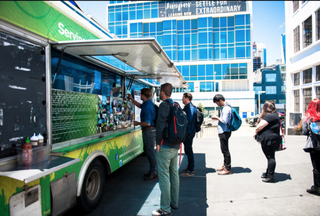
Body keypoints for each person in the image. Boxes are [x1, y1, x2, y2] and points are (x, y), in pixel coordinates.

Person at [152, 83, 179, 216]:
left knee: (164, 177)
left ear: (162, 91)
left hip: (165, 146)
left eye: (160, 91)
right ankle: (174, 203)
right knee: (174, 174)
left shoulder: (164, 105)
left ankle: (165, 209)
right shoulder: (175, 105)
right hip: (175, 145)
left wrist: (157, 142)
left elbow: (160, 125)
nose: (159, 93)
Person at [127, 88, 157, 181]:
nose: (140, 96)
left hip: (149, 131)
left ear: (144, 95)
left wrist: (137, 123)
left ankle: (153, 172)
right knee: (148, 151)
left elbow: (147, 123)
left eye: (141, 94)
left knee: (150, 152)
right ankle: (152, 170)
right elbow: (140, 105)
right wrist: (132, 99)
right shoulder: (148, 103)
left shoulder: (147, 106)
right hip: (150, 131)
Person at [254, 101, 281, 183]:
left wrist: (255, 131)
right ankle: (268, 173)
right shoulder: (275, 115)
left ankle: (270, 176)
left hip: (269, 139)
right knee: (270, 157)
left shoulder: (269, 116)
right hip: (272, 138)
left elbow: (259, 127)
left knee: (270, 157)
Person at [302, 98, 320, 196]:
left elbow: (305, 132)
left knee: (316, 166)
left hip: (315, 145)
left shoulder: (308, 118)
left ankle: (317, 187)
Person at [211, 94, 232, 175]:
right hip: (225, 131)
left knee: (225, 150)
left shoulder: (226, 108)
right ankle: (225, 165)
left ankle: (227, 168)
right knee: (224, 149)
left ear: (220, 100)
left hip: (224, 131)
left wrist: (216, 117)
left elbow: (224, 121)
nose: (217, 105)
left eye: (217, 103)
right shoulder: (226, 107)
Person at [180, 92, 197, 177]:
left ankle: (191, 170)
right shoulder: (188, 107)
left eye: (183, 98)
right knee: (187, 150)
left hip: (189, 132)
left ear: (187, 98)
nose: (182, 99)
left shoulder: (190, 108)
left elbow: (188, 119)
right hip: (189, 131)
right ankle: (190, 167)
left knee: (189, 150)